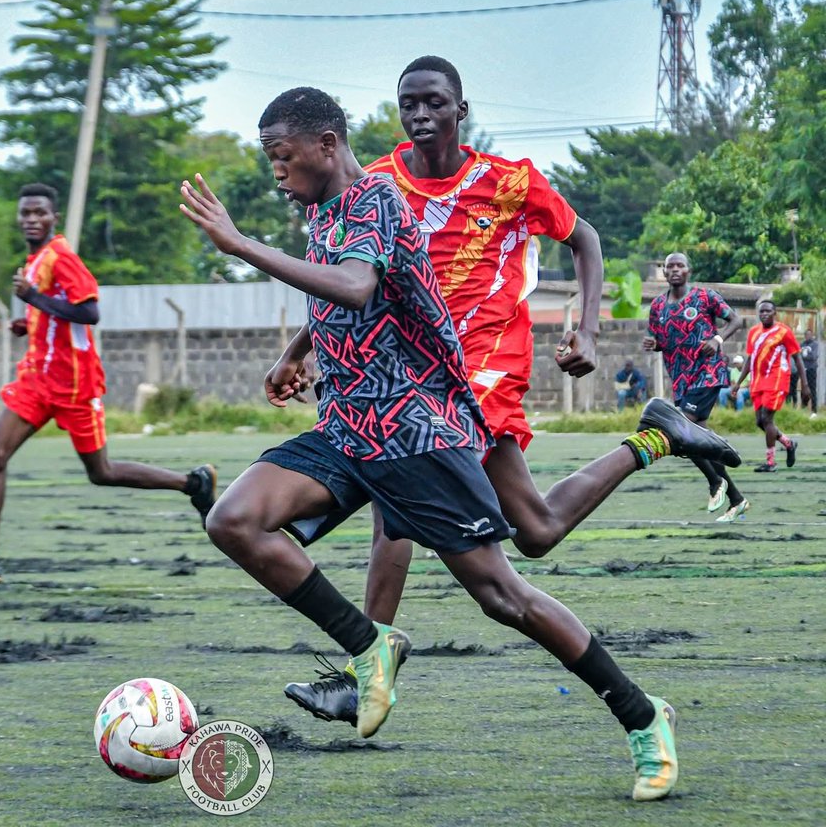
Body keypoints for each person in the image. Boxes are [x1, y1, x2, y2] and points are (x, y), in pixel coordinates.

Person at [183, 86, 679, 801]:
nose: (275, 172)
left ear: (327, 145)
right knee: (233, 519)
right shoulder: (322, 210)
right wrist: (298, 349)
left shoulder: (380, 198)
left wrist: (238, 244)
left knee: (503, 594)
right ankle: (369, 643)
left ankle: (641, 716)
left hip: (417, 431)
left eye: (282, 156)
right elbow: (352, 294)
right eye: (271, 160)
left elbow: (355, 286)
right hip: (350, 429)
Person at [283, 57, 736, 727]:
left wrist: (586, 328)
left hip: (486, 368)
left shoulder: (509, 181)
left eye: (434, 102)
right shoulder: (376, 182)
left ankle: (366, 672)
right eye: (408, 104)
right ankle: (657, 435)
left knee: (420, 502)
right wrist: (295, 351)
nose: (420, 115)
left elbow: (584, 238)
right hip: (412, 373)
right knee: (530, 530)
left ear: (461, 111)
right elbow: (353, 281)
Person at [0, 183, 218, 585]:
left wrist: (33, 300)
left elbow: (89, 312)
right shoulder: (34, 261)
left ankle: (193, 483)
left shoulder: (62, 257)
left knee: (101, 472)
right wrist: (28, 321)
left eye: (39, 213)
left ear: (53, 217)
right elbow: (57, 313)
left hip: (74, 385)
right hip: (37, 380)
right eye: (25, 213)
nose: (31, 219)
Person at [644, 252, 749, 520]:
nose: (675, 270)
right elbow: (662, 340)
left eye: (680, 265)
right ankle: (736, 499)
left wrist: (717, 338)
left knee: (682, 431)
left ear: (689, 271)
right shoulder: (657, 307)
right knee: (697, 439)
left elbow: (736, 320)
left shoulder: (705, 297)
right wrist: (655, 345)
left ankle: (716, 483)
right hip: (681, 381)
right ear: (664, 272)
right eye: (670, 266)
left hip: (708, 373)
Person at [731, 300, 809, 473]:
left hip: (777, 379)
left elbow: (797, 358)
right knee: (760, 422)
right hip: (758, 381)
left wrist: (804, 385)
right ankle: (788, 444)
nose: (764, 314)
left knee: (767, 419)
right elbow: (750, 359)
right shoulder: (753, 332)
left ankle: (770, 462)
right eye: (761, 312)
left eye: (768, 311)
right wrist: (738, 384)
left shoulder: (783, 332)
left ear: (775, 313)